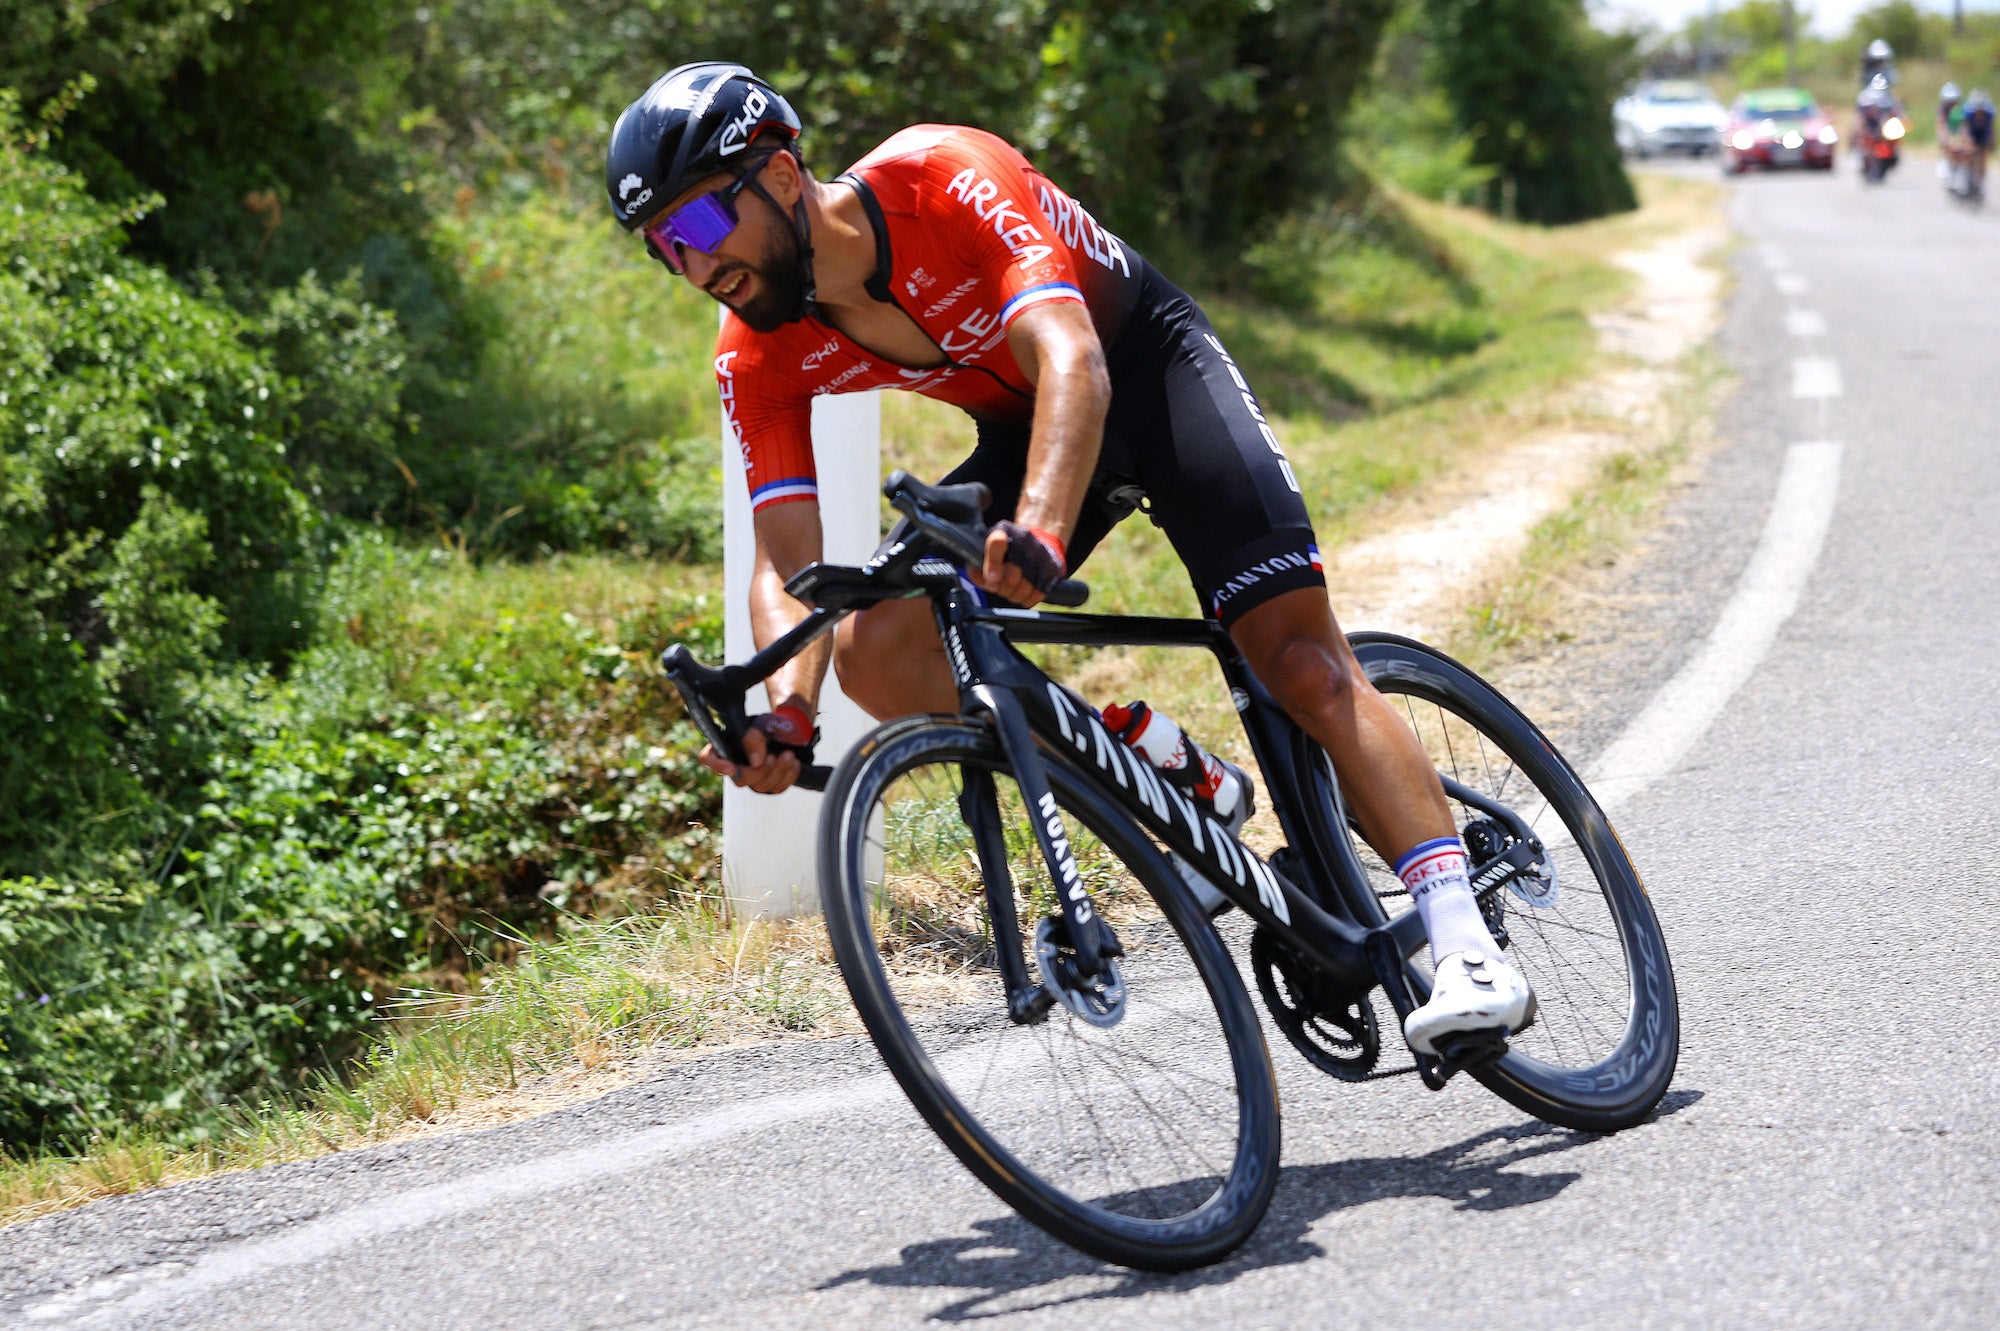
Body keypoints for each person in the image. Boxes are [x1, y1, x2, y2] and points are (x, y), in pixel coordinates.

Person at [606, 63, 1536, 1055]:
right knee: (881, 651)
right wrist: (786, 710)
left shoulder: (941, 175)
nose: (695, 266)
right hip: (1024, 430)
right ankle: (1154, 768)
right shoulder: (754, 347)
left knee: (1299, 662)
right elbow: (786, 563)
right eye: (665, 249)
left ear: (782, 177)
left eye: (699, 228)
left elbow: (1072, 357)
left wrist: (1042, 529)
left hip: (1140, 370)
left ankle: (1463, 939)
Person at [1938, 82, 1967, 184]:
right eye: (1949, 102)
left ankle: (1962, 174)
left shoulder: (1962, 110)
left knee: (1964, 151)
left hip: (1959, 134)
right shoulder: (1942, 110)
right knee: (1949, 147)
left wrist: (1964, 140)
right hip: (1949, 133)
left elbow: (1964, 126)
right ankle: (1948, 167)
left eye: (1954, 101)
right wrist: (1946, 140)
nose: (1952, 104)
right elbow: (1941, 126)